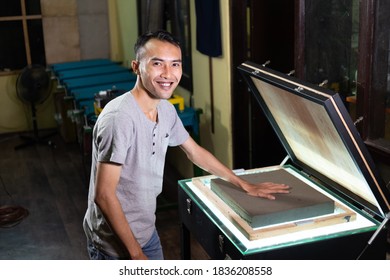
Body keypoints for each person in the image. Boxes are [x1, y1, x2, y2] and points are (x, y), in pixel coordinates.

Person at [83, 30, 289, 260]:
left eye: (175, 65)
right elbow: (103, 195)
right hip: (113, 244)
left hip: (145, 233)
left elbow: (195, 152)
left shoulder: (166, 109)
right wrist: (136, 255)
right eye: (157, 64)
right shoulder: (119, 118)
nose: (168, 74)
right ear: (136, 66)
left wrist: (242, 183)